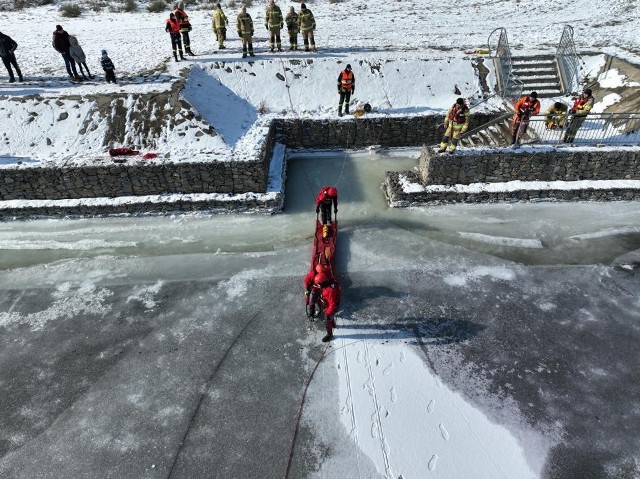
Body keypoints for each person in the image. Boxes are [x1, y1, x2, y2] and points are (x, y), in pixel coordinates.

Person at [311, 272, 340, 342]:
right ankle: (333, 324)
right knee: (331, 318)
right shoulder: (328, 284)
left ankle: (329, 334)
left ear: (322, 283)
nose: (318, 285)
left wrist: (328, 313)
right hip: (329, 306)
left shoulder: (329, 291)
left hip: (331, 308)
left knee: (327, 321)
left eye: (319, 284)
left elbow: (332, 304)